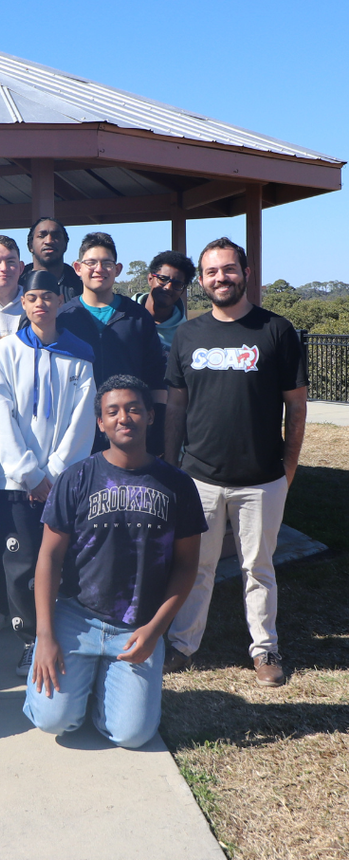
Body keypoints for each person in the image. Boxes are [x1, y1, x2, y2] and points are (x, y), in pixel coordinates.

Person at [24, 376, 205, 749]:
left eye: (134, 408)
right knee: (53, 720)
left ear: (150, 416)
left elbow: (186, 567)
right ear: (100, 422)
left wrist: (156, 629)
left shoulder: (177, 485)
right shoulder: (76, 478)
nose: (124, 417)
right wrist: (45, 636)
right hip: (76, 617)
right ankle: (85, 684)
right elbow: (49, 557)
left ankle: (99, 688)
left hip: (137, 624)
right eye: (113, 411)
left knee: (132, 735)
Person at [163, 238, 308, 687]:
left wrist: (288, 466)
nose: (220, 278)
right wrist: (171, 465)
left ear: (246, 272)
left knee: (258, 568)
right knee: (196, 566)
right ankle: (183, 645)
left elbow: (297, 408)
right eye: (211, 272)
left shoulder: (276, 331)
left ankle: (265, 650)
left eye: (228, 269)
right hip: (199, 477)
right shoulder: (188, 334)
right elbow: (175, 408)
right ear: (201, 280)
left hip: (261, 478)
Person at [0, 268, 96, 677]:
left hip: (63, 484)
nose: (40, 305)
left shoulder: (79, 353)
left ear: (59, 301)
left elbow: (83, 421)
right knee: (22, 562)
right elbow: (0, 413)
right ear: (24, 303)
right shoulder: (7, 350)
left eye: (48, 297)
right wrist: (30, 474)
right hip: (17, 482)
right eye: (32, 298)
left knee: (63, 560)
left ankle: (62, 636)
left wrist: (56, 476)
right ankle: (30, 641)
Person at [57, 232, 167, 454]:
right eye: (91, 263)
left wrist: (156, 431)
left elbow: (156, 377)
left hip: (127, 430)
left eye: (107, 263)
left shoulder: (137, 317)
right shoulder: (62, 318)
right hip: (72, 434)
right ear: (77, 268)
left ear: (117, 270)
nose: (99, 269)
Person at [134, 251, 196, 359]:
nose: (168, 287)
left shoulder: (187, 335)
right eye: (163, 279)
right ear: (150, 279)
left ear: (183, 290)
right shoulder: (122, 316)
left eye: (177, 284)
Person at [19, 217, 83, 301]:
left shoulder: (82, 286)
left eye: (56, 236)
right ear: (30, 245)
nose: (49, 241)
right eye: (41, 236)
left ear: (65, 245)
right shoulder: (16, 285)